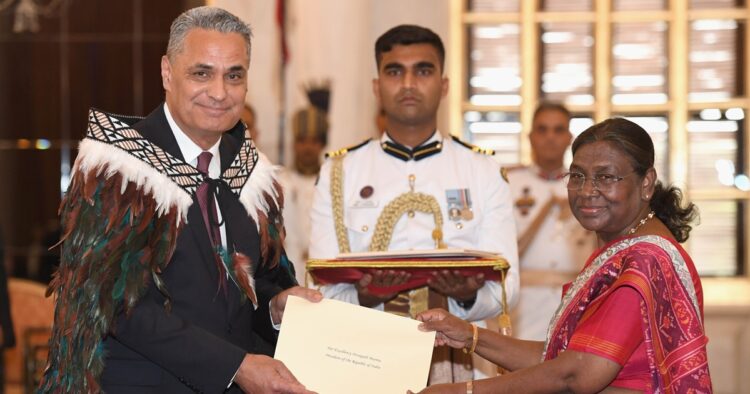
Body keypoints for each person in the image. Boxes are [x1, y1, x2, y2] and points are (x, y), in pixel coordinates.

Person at [39, 7, 321, 394]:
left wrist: (274, 308)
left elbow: (256, 283)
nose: (220, 92)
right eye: (201, 73)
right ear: (167, 73)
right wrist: (235, 366)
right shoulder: (119, 168)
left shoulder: (251, 172)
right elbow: (119, 306)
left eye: (234, 75)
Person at [413, 118, 712, 393]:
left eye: (606, 177)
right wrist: (469, 335)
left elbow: (575, 375)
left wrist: (463, 391)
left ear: (646, 183)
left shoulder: (644, 259)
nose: (586, 191)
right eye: (578, 175)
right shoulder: (625, 247)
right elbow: (559, 357)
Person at [308, 24, 519, 384]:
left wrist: (468, 297)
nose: (408, 83)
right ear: (377, 87)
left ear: (445, 84)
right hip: (362, 350)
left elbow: (507, 285)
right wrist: (364, 295)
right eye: (394, 71)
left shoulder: (482, 170)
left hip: (456, 356)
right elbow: (320, 285)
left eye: (423, 70)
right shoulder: (339, 171)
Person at [507, 102, 595, 341]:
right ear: (530, 137)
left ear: (569, 138)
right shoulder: (509, 184)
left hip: (576, 302)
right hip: (524, 304)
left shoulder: (586, 186)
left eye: (558, 130)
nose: (550, 138)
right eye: (542, 130)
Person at [282, 85, 330, 285]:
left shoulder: (333, 184)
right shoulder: (280, 183)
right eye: (302, 141)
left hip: (326, 279)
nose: (308, 148)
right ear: (294, 143)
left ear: (322, 144)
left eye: (314, 141)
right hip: (288, 278)